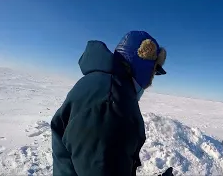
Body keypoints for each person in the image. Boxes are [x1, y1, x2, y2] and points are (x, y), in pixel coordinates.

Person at [50, 31, 172, 176]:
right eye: (154, 71)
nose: (152, 80)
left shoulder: (103, 86)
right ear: (145, 67)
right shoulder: (111, 103)